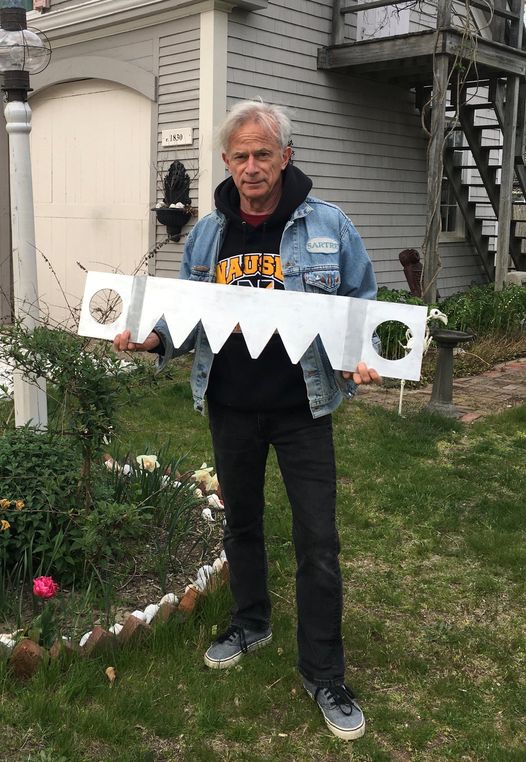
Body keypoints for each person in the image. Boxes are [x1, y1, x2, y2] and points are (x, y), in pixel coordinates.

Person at [114, 100, 381, 741]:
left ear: (286, 157)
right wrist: (154, 342)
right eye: (241, 156)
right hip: (231, 405)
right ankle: (250, 621)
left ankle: (325, 673)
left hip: (301, 410)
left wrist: (362, 354)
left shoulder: (327, 226)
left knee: (319, 542)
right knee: (243, 525)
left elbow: (362, 300)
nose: (253, 167)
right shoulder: (209, 234)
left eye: (264, 154)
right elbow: (183, 315)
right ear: (227, 163)